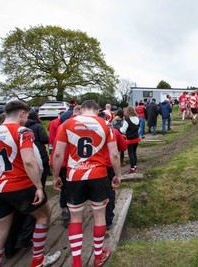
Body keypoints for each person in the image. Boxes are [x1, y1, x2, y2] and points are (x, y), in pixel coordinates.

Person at [0, 100, 60, 267]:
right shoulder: (23, 131)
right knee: (43, 216)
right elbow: (30, 161)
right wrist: (39, 187)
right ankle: (38, 259)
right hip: (19, 184)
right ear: (22, 114)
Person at [52, 100, 121, 267]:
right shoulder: (106, 124)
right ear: (97, 110)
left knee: (75, 218)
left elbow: (58, 154)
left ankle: (76, 262)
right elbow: (114, 155)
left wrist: (55, 176)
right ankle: (98, 256)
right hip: (98, 175)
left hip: (75, 176)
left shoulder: (67, 124)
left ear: (81, 110)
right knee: (99, 215)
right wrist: (118, 174)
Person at [104, 127, 127, 230]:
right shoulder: (113, 131)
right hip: (109, 164)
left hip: (92, 166)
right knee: (110, 191)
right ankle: (108, 220)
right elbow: (123, 147)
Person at [120, 106, 140, 173]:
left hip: (130, 139)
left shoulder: (127, 120)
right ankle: (135, 166)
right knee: (134, 152)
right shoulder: (137, 119)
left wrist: (119, 128)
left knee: (130, 153)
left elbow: (123, 131)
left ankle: (132, 168)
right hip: (136, 138)